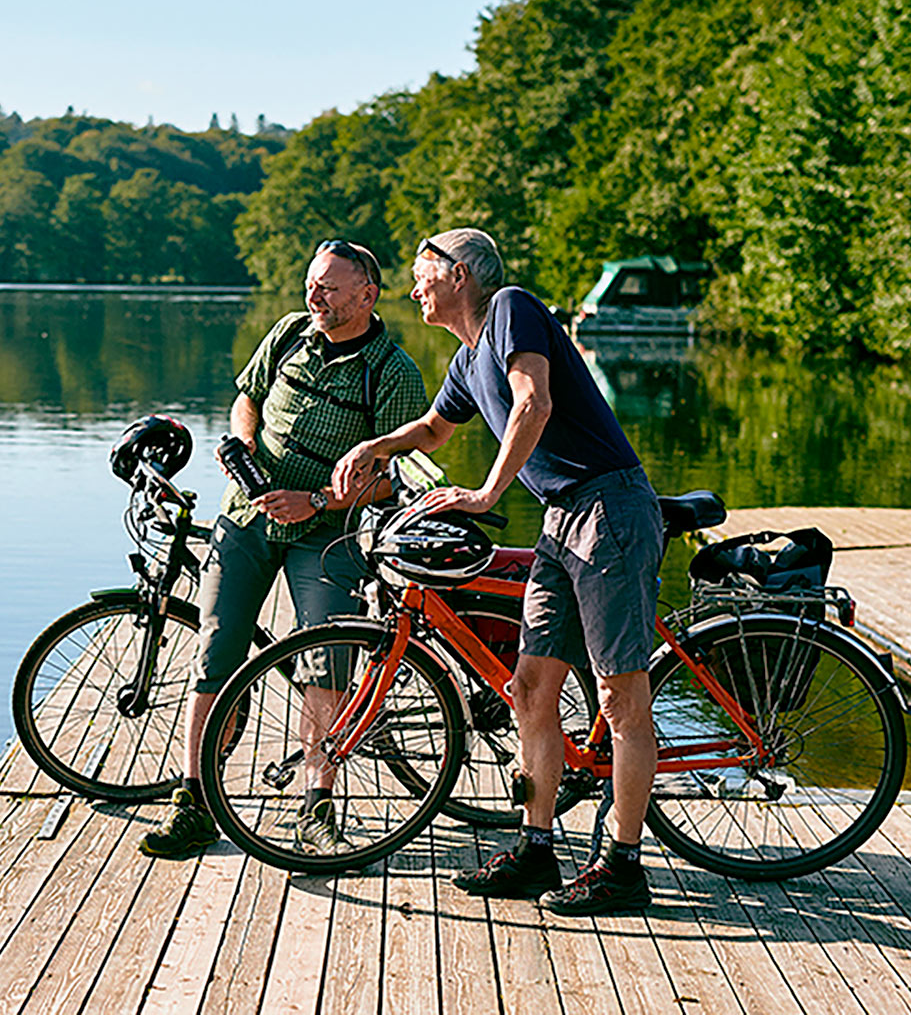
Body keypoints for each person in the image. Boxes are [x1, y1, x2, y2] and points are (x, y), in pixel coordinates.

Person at [331, 228, 662, 915]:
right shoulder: (465, 358)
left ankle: (623, 867)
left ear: (461, 275)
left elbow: (532, 401)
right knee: (531, 689)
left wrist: (485, 495)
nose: (413, 288)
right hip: (561, 518)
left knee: (620, 699)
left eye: (423, 274)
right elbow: (431, 429)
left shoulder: (509, 307)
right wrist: (375, 444)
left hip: (609, 507)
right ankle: (536, 848)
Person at [138, 239, 428, 860]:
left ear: (366, 295)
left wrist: (317, 501)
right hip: (245, 518)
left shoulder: (394, 372)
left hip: (329, 534)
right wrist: (242, 444)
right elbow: (248, 396)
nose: (313, 296)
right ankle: (192, 802)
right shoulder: (289, 333)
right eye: (310, 284)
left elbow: (391, 480)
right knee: (215, 649)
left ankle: (316, 805)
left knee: (327, 662)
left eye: (327, 287)